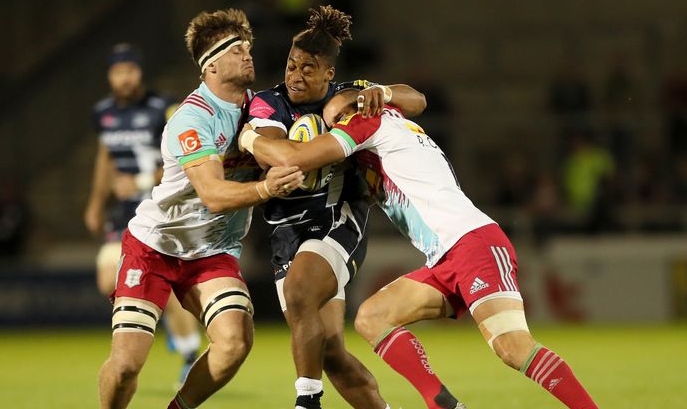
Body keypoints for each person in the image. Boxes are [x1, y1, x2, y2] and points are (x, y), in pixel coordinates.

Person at [238, 88, 599, 409]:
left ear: (352, 111)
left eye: (335, 119)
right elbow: (414, 99)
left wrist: (251, 139)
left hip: (473, 243)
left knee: (512, 347)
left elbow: (297, 158)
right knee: (372, 317)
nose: (334, 128)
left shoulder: (367, 124)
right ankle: (440, 401)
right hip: (445, 257)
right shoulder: (400, 128)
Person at [97, 12, 304, 409]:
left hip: (211, 252)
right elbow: (212, 194)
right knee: (125, 367)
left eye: (248, 48)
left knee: (235, 342)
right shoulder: (192, 119)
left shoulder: (260, 109)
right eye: (236, 49)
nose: (248, 56)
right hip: (156, 246)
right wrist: (267, 187)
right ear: (210, 64)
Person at [246, 5, 426, 409]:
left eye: (308, 68)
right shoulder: (268, 102)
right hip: (286, 233)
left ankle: (306, 403)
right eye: (292, 65)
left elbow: (418, 100)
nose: (295, 75)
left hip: (338, 219)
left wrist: (387, 94)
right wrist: (265, 146)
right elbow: (276, 152)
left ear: (328, 73)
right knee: (330, 354)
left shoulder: (350, 95)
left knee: (299, 290)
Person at [85, 43, 202, 384]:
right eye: (118, 72)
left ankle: (189, 353)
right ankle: (168, 324)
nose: (124, 78)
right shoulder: (102, 112)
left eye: (129, 71)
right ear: (110, 76)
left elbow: (184, 158)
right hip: (123, 212)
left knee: (164, 280)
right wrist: (95, 202)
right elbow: (104, 156)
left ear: (140, 73)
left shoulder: (164, 108)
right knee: (108, 279)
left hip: (161, 207)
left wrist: (139, 179)